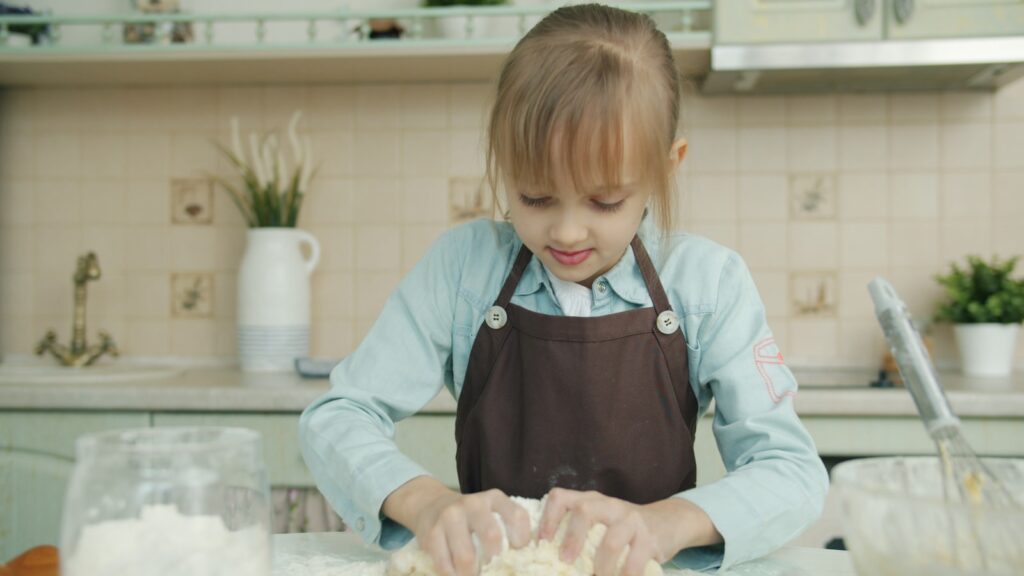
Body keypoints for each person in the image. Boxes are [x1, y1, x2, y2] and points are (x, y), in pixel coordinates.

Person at [299, 4, 828, 575]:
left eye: (605, 201)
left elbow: (790, 470)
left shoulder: (707, 284)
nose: (568, 232)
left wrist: (663, 525)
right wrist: (428, 505)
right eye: (536, 197)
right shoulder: (463, 270)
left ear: (665, 167)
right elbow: (338, 417)